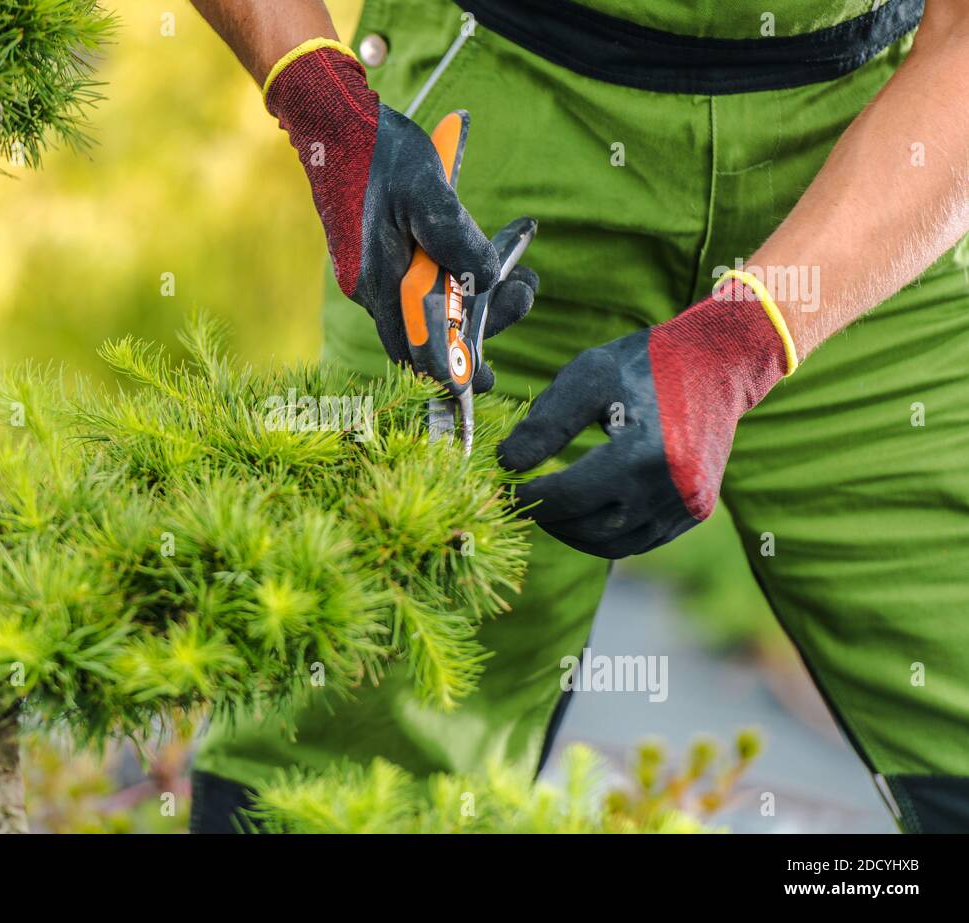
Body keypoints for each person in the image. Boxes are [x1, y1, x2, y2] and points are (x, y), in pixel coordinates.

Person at [187, 0, 969, 833]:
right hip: (507, 120)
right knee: (346, 736)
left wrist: (745, 337)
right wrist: (319, 99)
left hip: (879, 176)